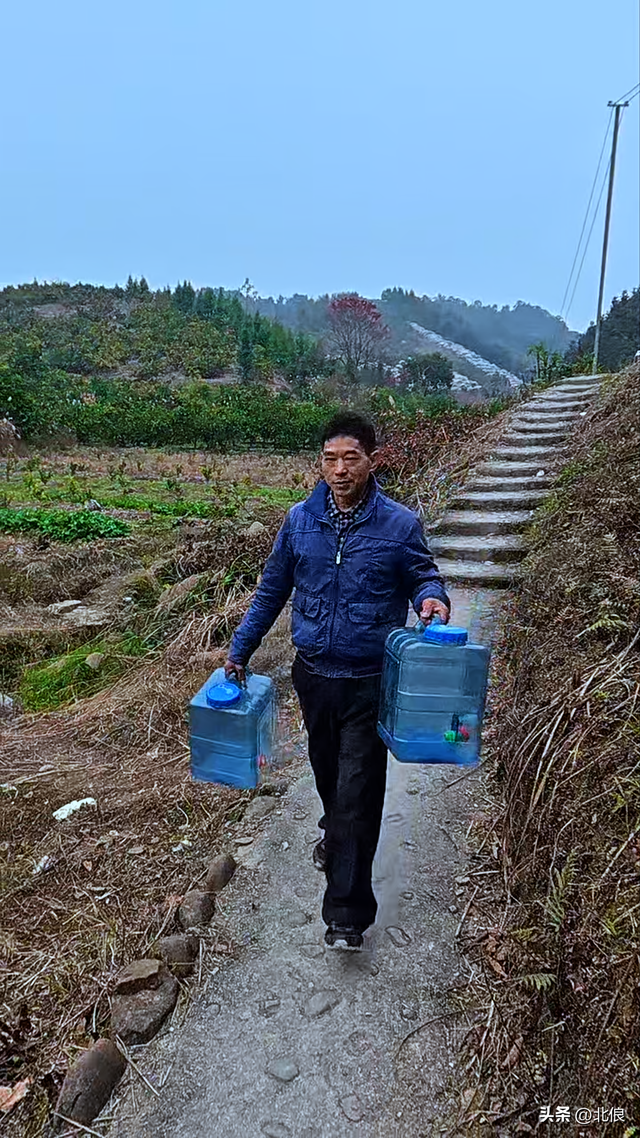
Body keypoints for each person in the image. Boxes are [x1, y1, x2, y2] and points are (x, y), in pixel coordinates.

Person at [224, 411, 450, 951]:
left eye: (351, 458)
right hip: (314, 677)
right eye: (330, 458)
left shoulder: (398, 525)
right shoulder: (300, 522)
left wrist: (431, 599)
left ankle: (346, 913)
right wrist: (239, 650)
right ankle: (338, 835)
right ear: (320, 463)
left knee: (357, 790)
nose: (340, 469)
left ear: (372, 461)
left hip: (371, 678)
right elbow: (271, 592)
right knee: (330, 777)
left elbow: (422, 574)